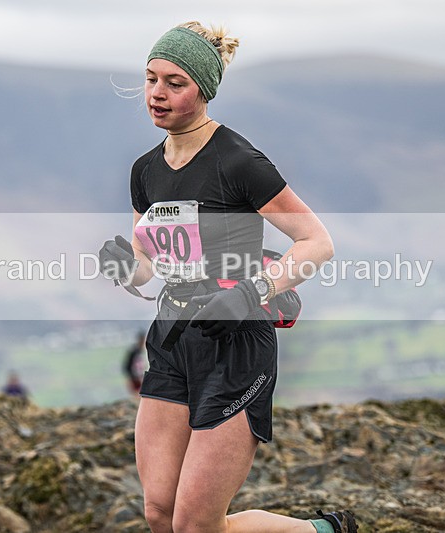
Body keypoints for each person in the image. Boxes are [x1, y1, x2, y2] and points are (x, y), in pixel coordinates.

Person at [99, 21, 356, 533]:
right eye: (151, 79)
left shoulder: (238, 161)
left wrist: (251, 292)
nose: (157, 93)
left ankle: (322, 531)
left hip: (236, 343)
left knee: (196, 525)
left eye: (175, 82)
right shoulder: (144, 171)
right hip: (173, 340)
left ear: (203, 89)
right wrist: (125, 264)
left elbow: (317, 243)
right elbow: (151, 264)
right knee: (160, 512)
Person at [124, 330, 148, 395]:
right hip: (135, 378)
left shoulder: (141, 351)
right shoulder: (134, 351)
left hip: (141, 377)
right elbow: (126, 366)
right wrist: (133, 377)